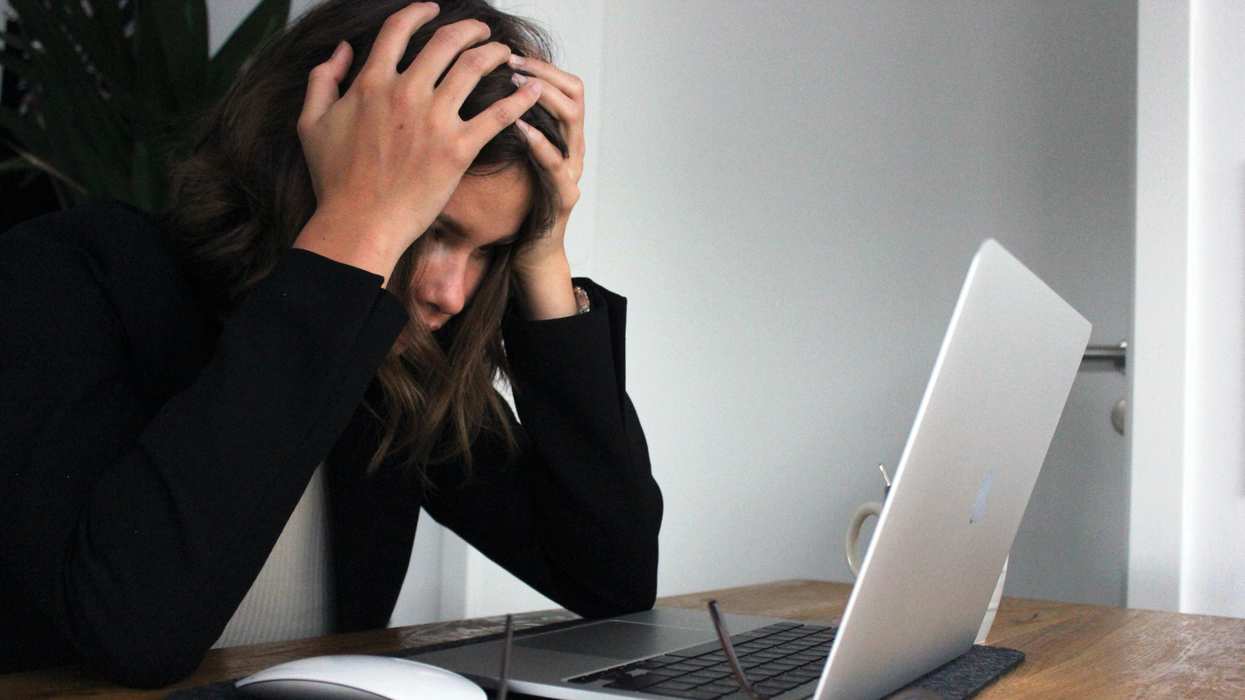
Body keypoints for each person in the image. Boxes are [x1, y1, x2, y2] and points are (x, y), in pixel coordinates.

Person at [0, 0, 662, 688]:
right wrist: (356, 229)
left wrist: (542, 256)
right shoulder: (63, 277)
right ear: (305, 162)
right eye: (430, 228)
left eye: (487, 251)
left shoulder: (391, 362)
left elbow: (609, 575)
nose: (450, 294)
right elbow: (132, 636)